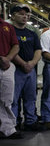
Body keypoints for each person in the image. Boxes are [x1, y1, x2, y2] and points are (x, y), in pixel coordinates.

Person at [10, 4, 42, 131]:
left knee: (31, 97)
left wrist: (32, 63)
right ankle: (14, 123)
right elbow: (9, 50)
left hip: (31, 70)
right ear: (12, 16)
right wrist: (23, 63)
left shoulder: (32, 33)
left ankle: (30, 121)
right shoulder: (9, 31)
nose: (24, 17)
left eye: (26, 15)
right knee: (14, 98)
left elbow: (38, 50)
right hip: (15, 69)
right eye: (20, 14)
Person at [0, 9, 22, 139]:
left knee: (6, 99)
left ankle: (8, 128)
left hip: (6, 66)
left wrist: (7, 59)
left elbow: (15, 45)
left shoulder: (7, 27)